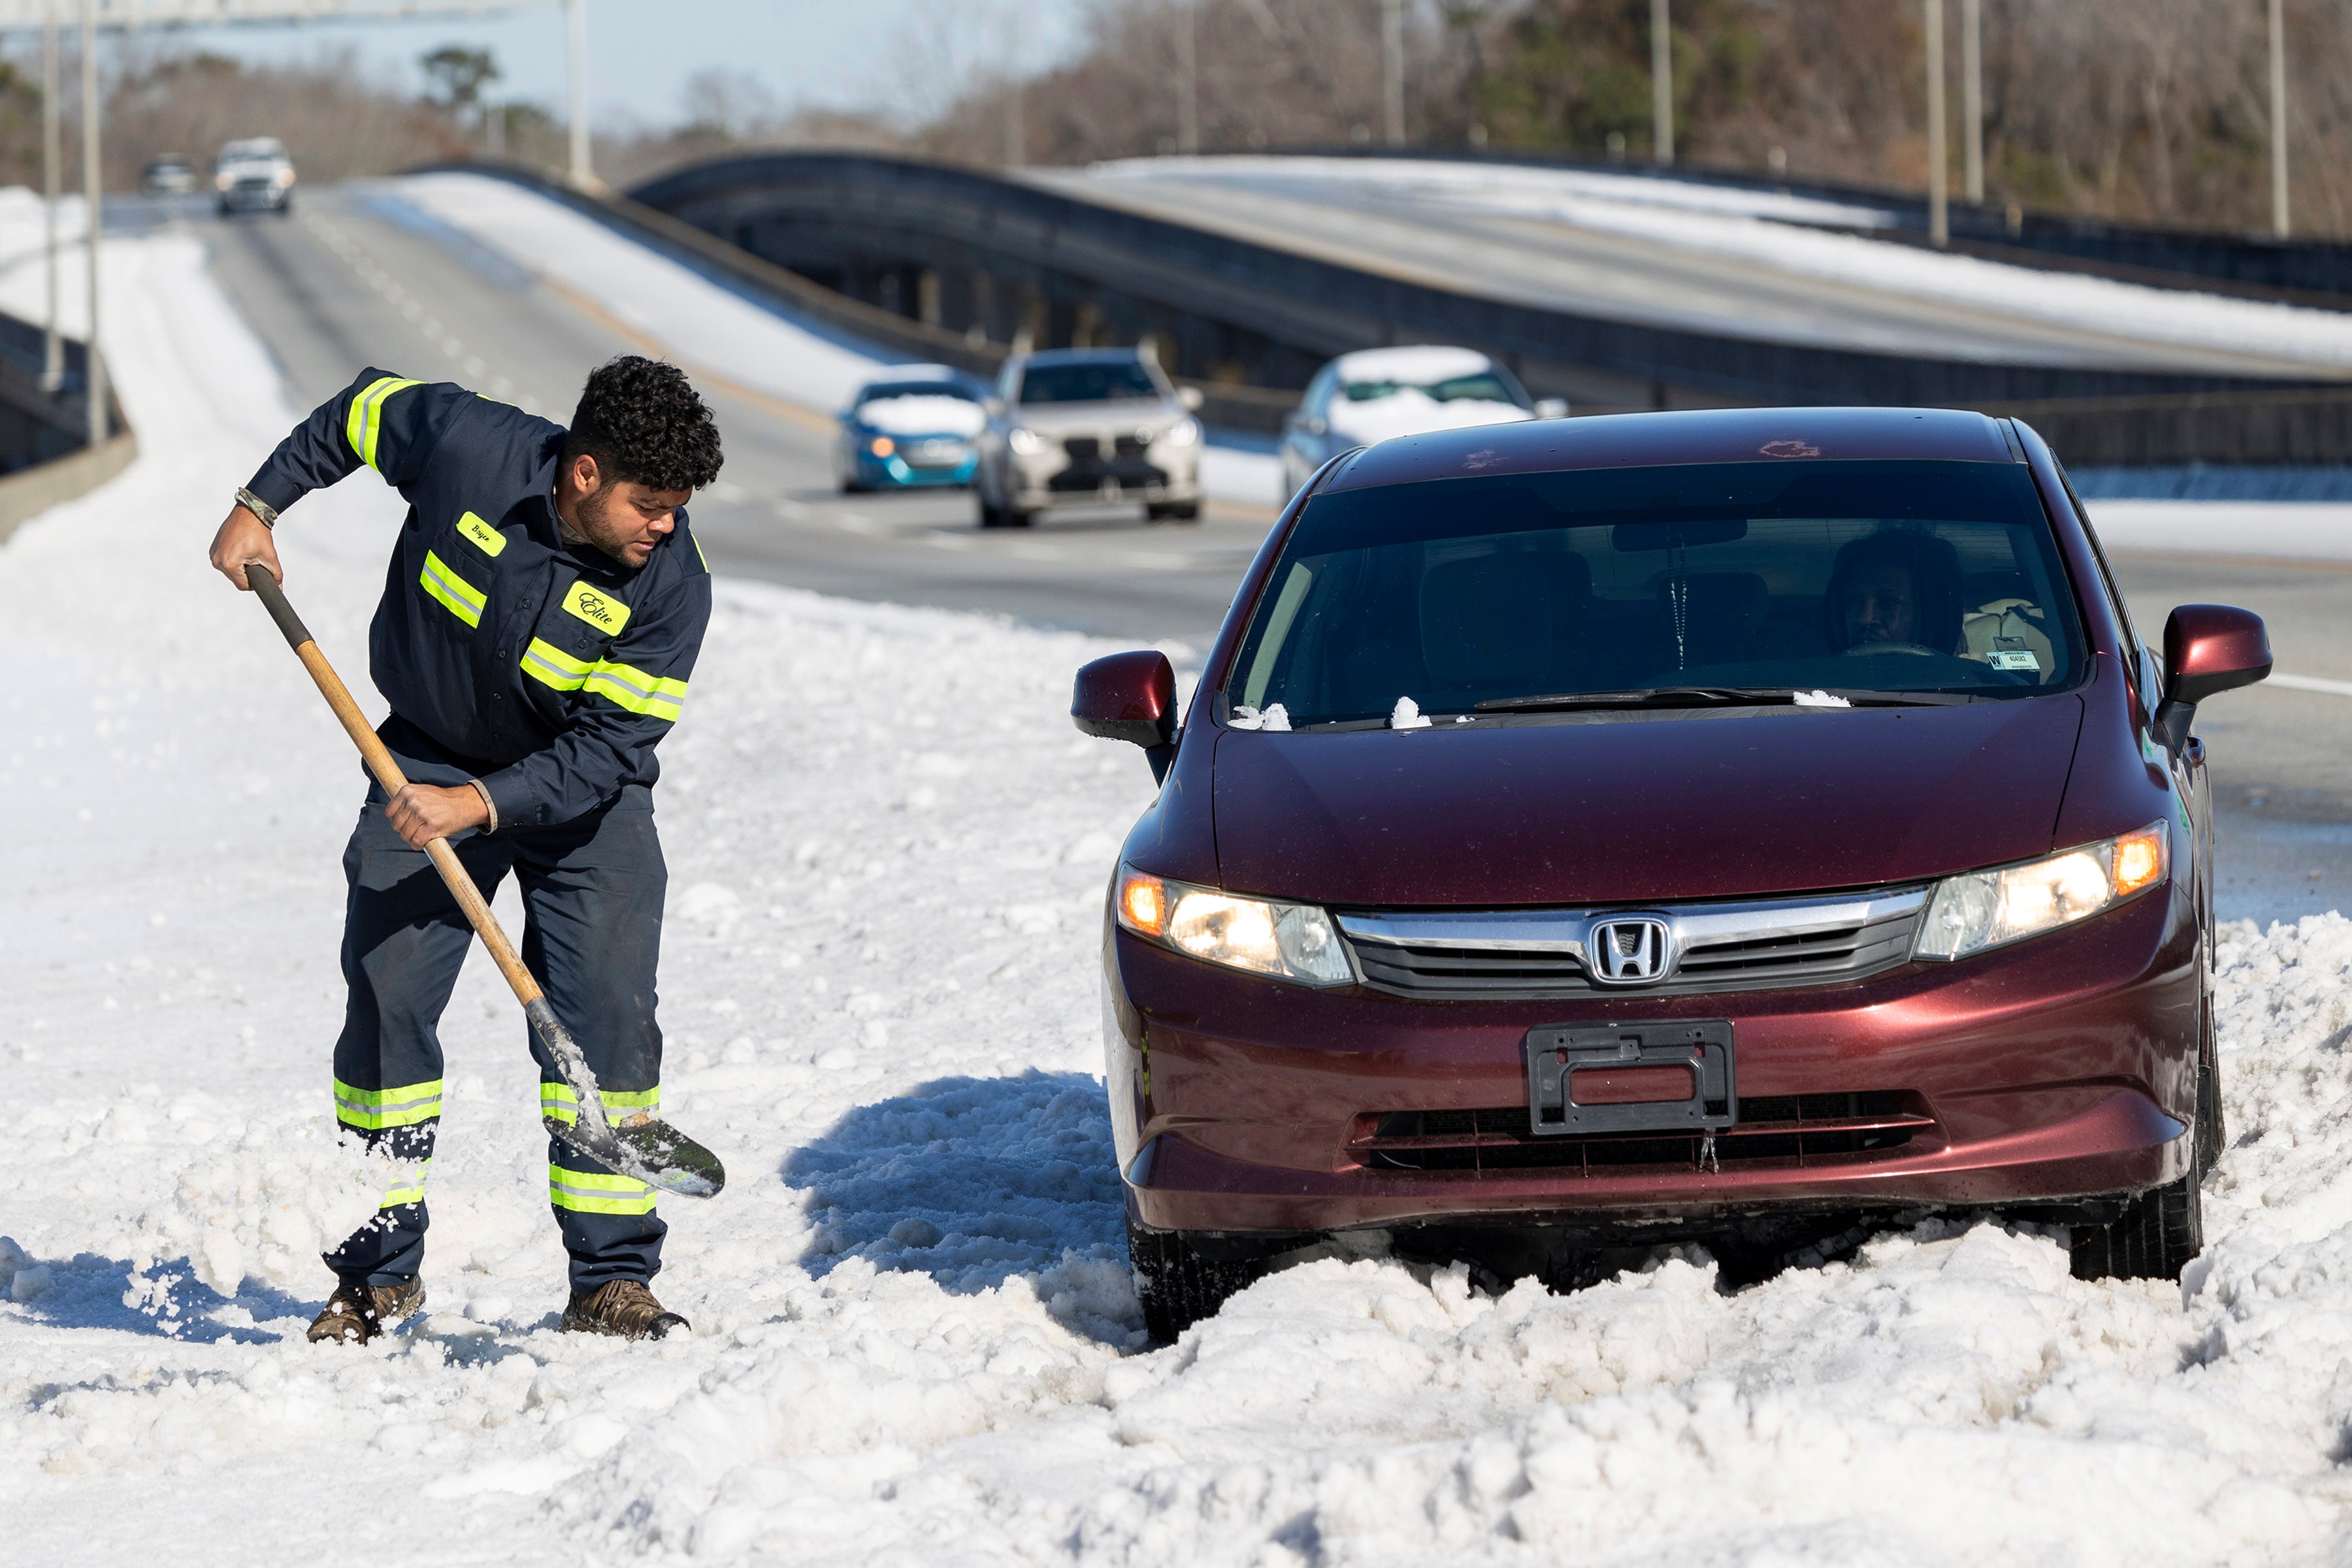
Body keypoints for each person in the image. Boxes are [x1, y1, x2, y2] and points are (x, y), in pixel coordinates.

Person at [207, 356, 723, 1344]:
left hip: (580, 804)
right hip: (420, 757)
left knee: (607, 1025)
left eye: (677, 506)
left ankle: (611, 1282)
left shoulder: (672, 588)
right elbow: (358, 412)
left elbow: (611, 749)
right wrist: (259, 504)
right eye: (649, 503)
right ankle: (377, 1276)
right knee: (387, 1007)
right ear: (582, 474)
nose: (666, 525)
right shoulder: (466, 445)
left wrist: (479, 803)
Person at [1823, 528, 1964, 656]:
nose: (1864, 619)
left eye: (1888, 602)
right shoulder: (1819, 682)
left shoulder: (1968, 680)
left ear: (1934, 616)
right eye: (1854, 599)